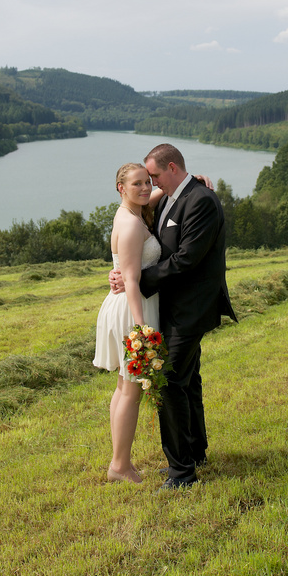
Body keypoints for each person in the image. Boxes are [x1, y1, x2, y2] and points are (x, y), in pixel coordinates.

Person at [111, 143, 236, 490]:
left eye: (153, 177)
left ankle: (182, 473)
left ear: (171, 168)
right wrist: (123, 272)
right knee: (187, 381)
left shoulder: (200, 202)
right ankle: (195, 453)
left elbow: (185, 259)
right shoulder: (169, 196)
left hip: (191, 309)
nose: (150, 185)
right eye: (144, 180)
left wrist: (135, 280)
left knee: (168, 382)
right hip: (173, 307)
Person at [93, 162, 163, 484]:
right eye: (137, 184)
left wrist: (198, 180)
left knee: (124, 387)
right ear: (121, 188)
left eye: (148, 182)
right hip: (133, 308)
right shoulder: (133, 225)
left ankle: (120, 463)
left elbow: (159, 193)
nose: (146, 188)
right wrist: (142, 330)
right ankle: (120, 466)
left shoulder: (128, 213)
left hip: (123, 304)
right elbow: (132, 282)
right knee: (131, 390)